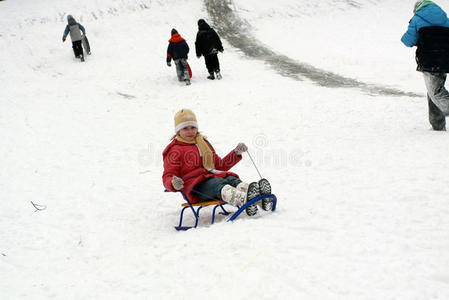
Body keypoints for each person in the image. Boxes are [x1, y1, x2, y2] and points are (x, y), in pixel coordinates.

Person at [162, 109, 272, 216]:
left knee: (231, 179)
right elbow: (167, 175)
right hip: (195, 187)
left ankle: (259, 197)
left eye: (193, 127)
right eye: (185, 128)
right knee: (217, 184)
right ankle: (244, 200)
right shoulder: (174, 150)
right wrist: (173, 183)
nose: (190, 131)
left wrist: (235, 153)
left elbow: (220, 166)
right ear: (178, 131)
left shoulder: (203, 143)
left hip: (212, 178)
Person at [401, 1, 449, 131]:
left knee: (436, 92)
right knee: (433, 90)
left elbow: (408, 41)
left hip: (429, 60)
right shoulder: (445, 19)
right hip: (445, 59)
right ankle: (437, 125)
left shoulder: (417, 19)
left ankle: (438, 123)